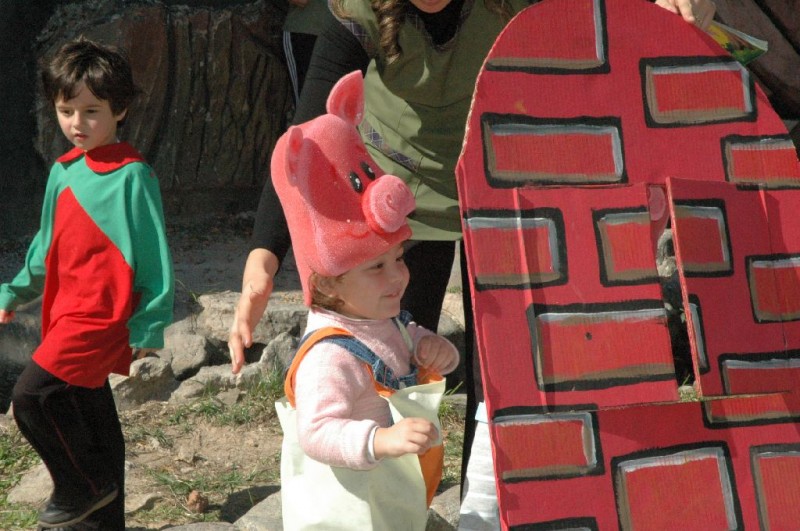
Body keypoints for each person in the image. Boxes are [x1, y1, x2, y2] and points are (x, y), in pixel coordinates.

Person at [271, 70, 460, 528]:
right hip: (348, 509)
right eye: (376, 267)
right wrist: (380, 441)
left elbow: (409, 343)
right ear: (329, 284)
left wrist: (435, 349)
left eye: (398, 258)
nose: (398, 275)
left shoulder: (382, 319)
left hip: (386, 496)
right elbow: (316, 431)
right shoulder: (330, 357)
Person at [0, 37, 174, 530]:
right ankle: (103, 518)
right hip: (64, 313)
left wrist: (149, 324)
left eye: (91, 111)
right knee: (89, 410)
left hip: (101, 318)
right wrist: (14, 291)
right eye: (66, 111)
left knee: (32, 397)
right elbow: (46, 246)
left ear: (120, 110)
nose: (77, 123)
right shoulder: (63, 171)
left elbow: (154, 258)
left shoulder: (133, 176)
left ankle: (83, 487)